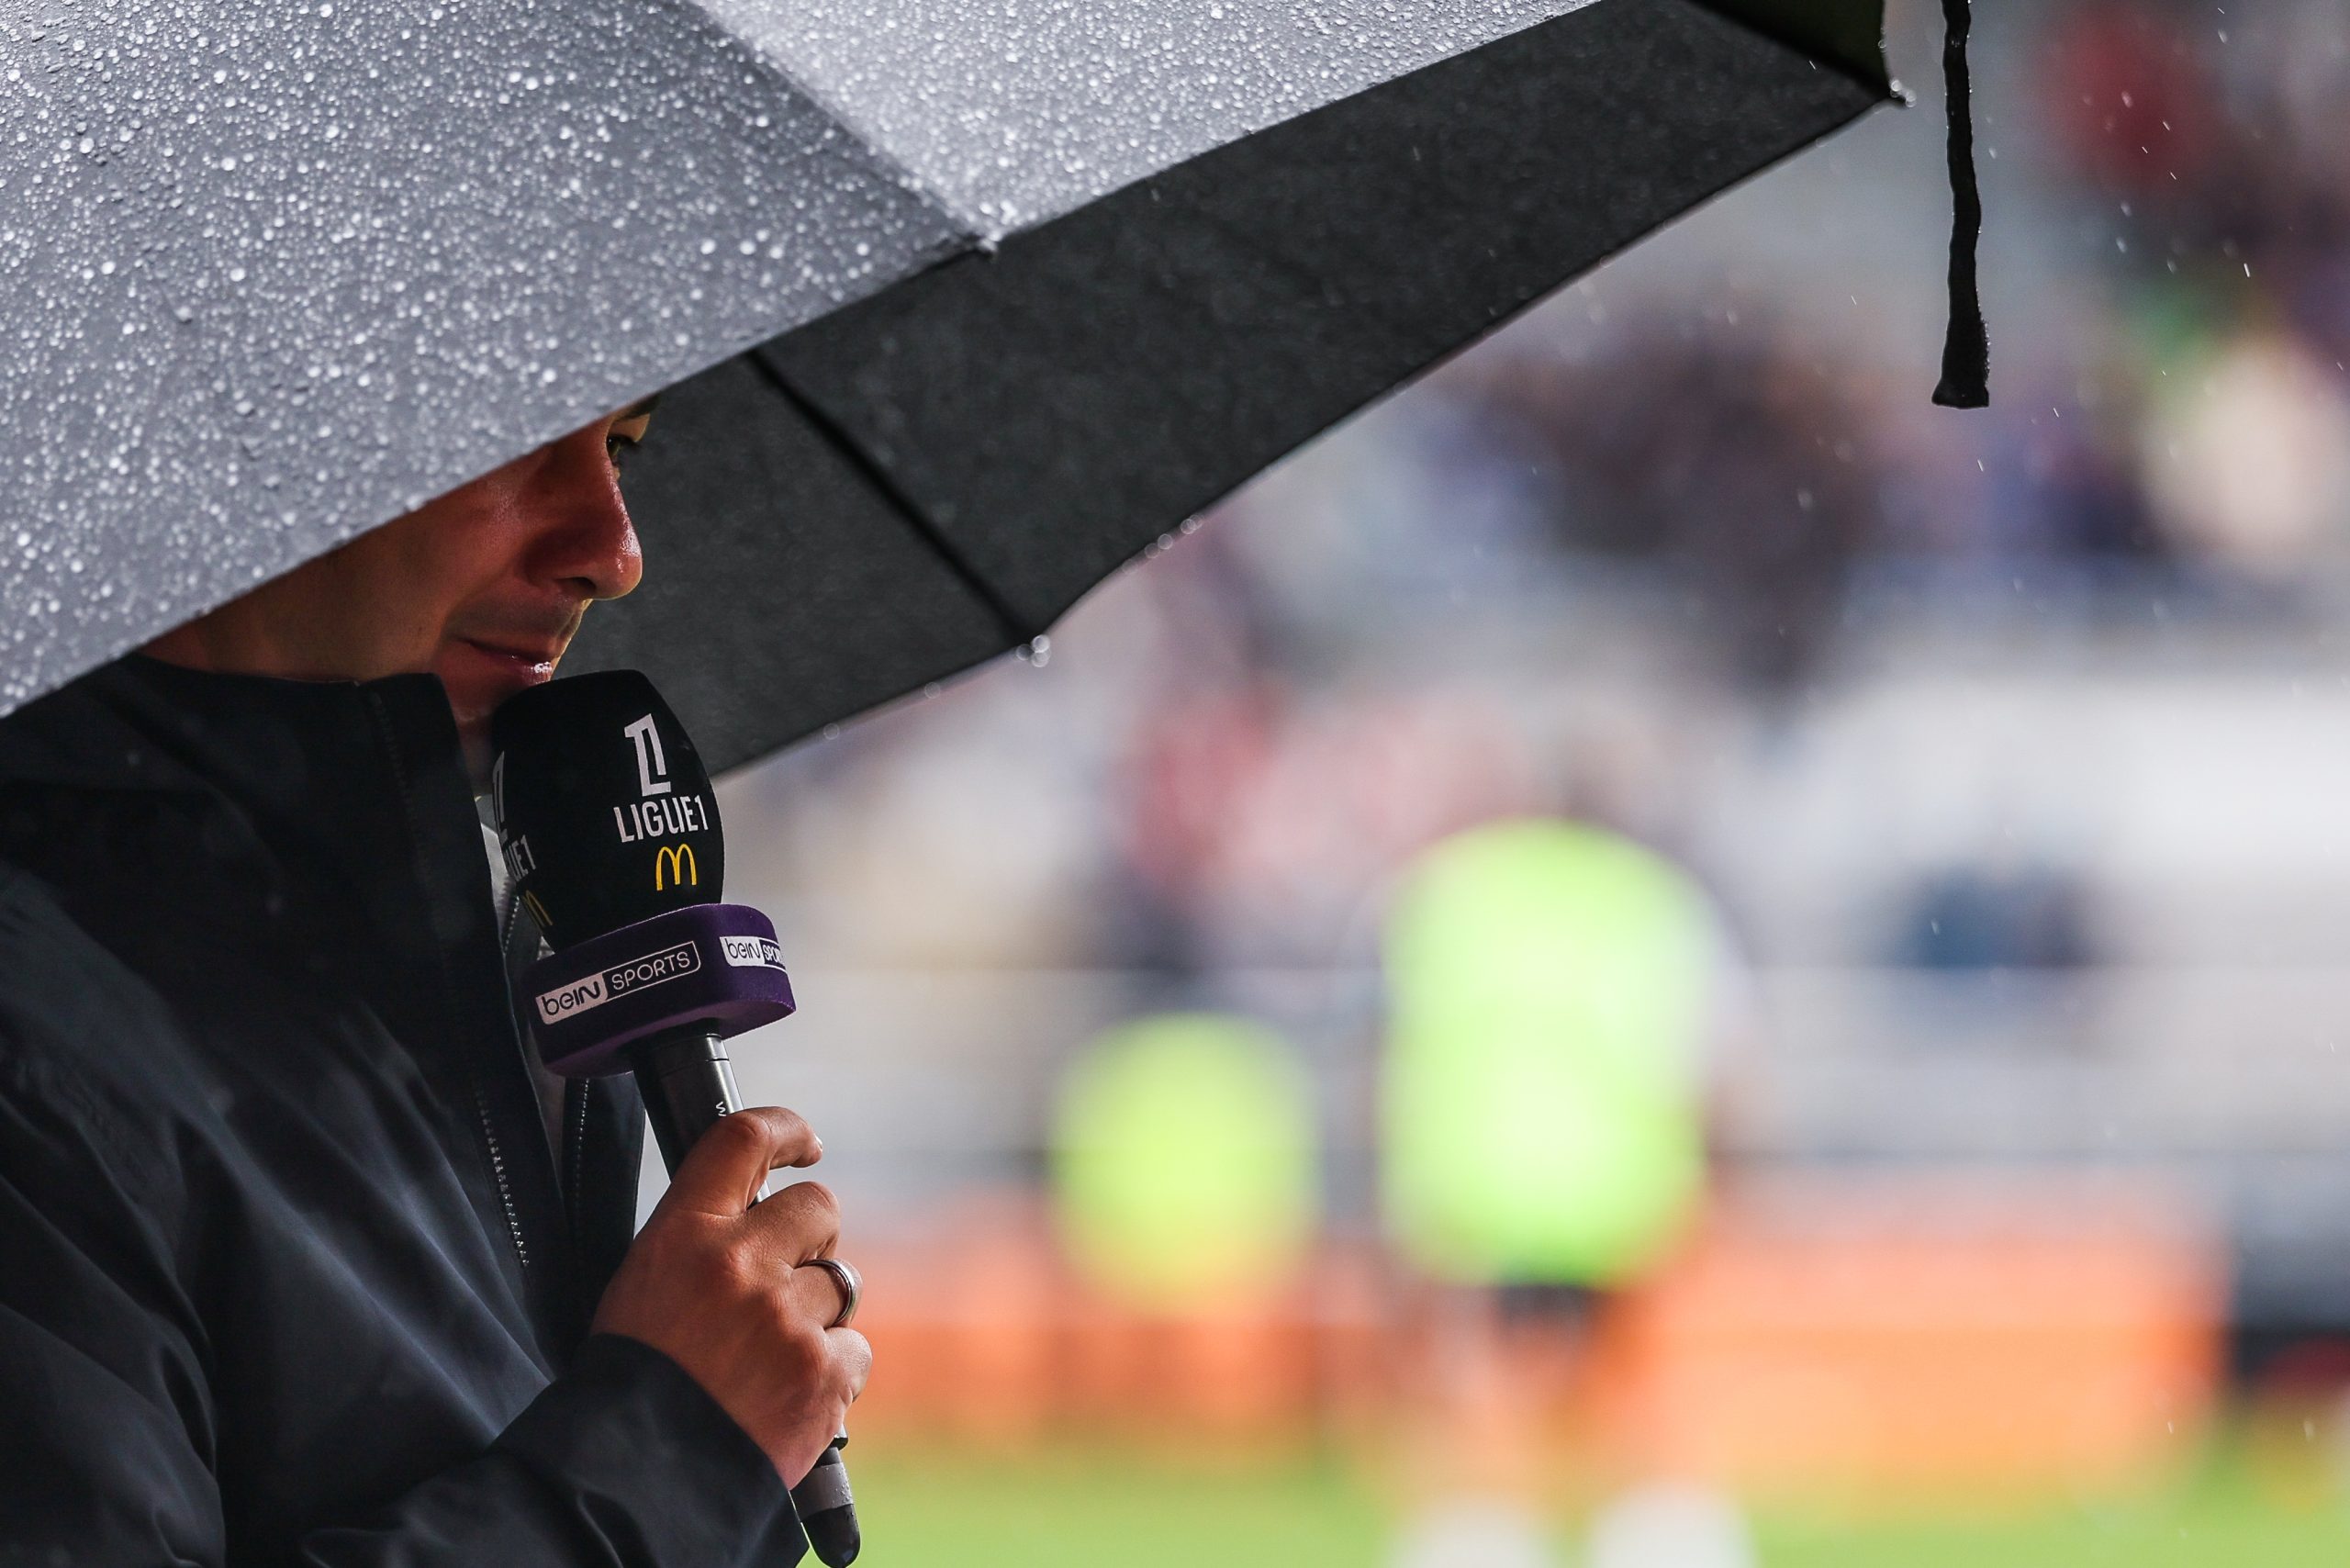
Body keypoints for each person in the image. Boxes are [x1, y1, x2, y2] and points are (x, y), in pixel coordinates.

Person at [0, 401, 869, 1564]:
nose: (614, 552)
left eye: (620, 450)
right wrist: (669, 1453)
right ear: (219, 442)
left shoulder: (502, 934)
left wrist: (687, 1440)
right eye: (518, 435)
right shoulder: (36, 1027)